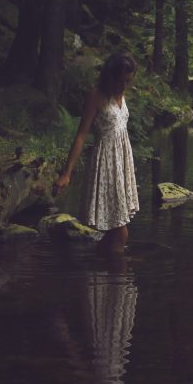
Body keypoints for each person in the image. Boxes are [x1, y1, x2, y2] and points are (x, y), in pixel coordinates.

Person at [53, 51, 140, 254]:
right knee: (120, 232)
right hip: (106, 164)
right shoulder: (96, 96)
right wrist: (66, 173)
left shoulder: (121, 94)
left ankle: (101, 267)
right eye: (121, 80)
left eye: (128, 81)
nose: (124, 85)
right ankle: (115, 270)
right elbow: (81, 135)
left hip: (122, 162)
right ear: (111, 76)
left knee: (114, 232)